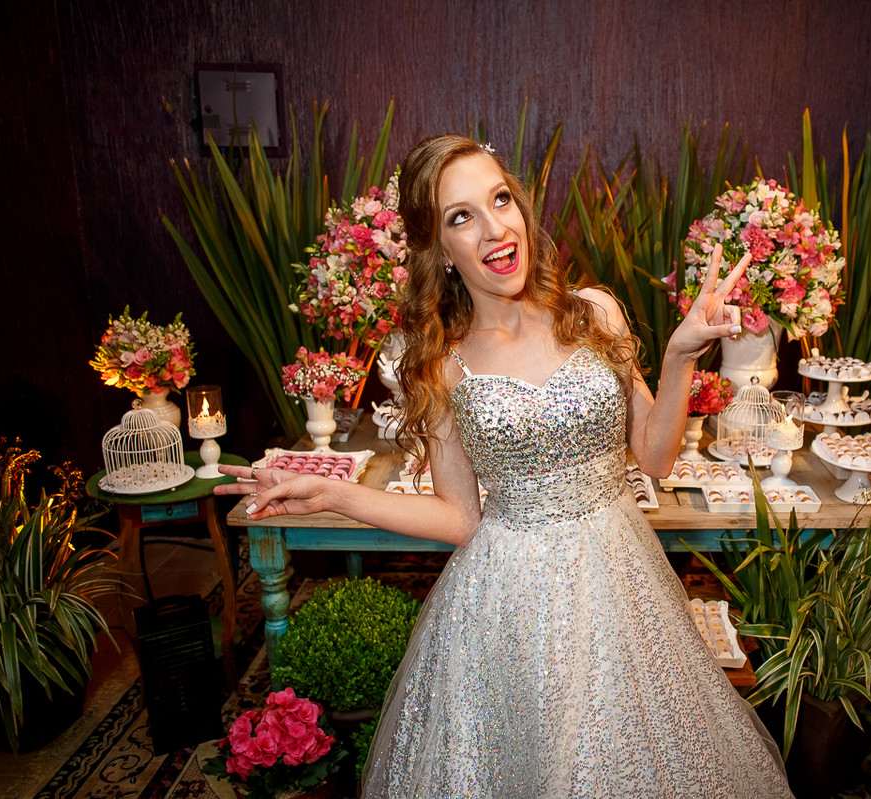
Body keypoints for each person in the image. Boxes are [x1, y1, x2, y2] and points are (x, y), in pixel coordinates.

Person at [216, 134, 791, 797]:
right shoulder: (442, 362)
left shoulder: (593, 312)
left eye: (500, 199)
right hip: (509, 603)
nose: (494, 227)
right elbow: (460, 518)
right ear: (440, 248)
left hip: (620, 580)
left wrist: (681, 356)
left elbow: (656, 457)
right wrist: (332, 493)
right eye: (462, 216)